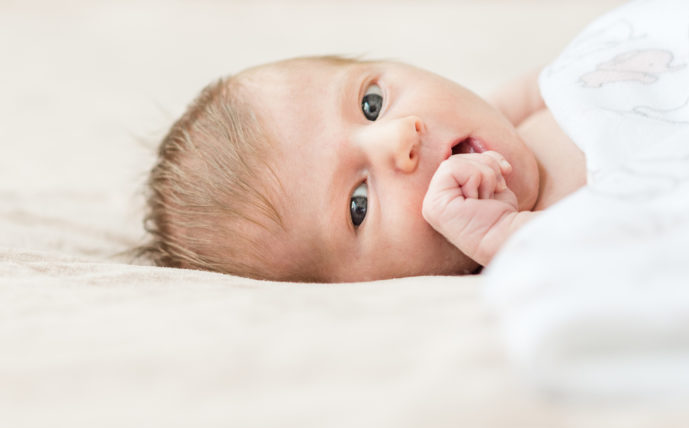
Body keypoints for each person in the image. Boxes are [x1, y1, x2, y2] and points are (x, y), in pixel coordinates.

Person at [139, 54, 586, 282]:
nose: (397, 139)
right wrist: (503, 235)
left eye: (371, 103)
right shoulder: (529, 250)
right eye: (359, 204)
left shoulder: (524, 103)